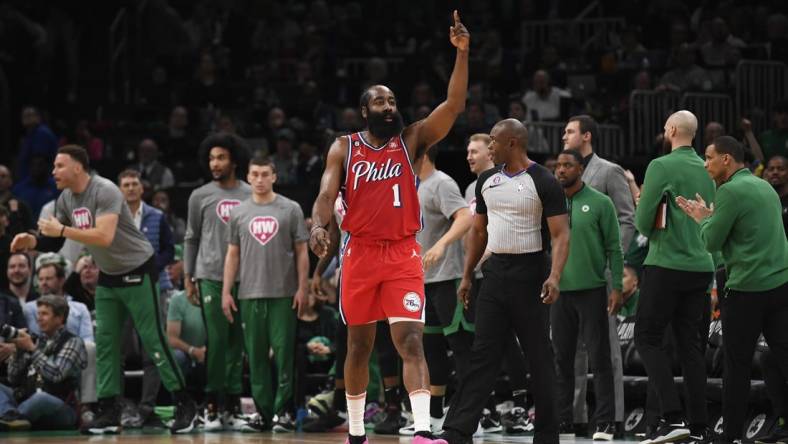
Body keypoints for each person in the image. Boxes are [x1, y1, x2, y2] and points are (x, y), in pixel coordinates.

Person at [309, 11, 469, 444]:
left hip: (401, 253)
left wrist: (462, 54)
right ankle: (357, 433)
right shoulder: (345, 147)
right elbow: (326, 194)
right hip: (359, 253)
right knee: (358, 347)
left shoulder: (412, 140)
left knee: (410, 342)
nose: (389, 107)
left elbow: (453, 106)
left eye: (393, 101)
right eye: (381, 102)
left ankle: (420, 431)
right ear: (365, 111)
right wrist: (318, 225)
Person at [9, 145, 198, 434]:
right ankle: (109, 410)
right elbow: (53, 242)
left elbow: (104, 236)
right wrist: (31, 241)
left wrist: (60, 230)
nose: (53, 171)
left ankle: (184, 403)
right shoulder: (65, 200)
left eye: (59, 166)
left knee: (153, 340)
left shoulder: (105, 190)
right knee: (106, 343)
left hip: (137, 269)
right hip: (109, 276)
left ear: (77, 167)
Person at [438, 118, 570, 444]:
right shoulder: (486, 180)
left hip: (531, 274)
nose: (490, 147)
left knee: (539, 355)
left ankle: (548, 434)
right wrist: (468, 275)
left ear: (512, 142)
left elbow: (561, 235)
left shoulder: (543, 180)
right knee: (483, 353)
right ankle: (457, 430)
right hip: (495, 273)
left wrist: (554, 276)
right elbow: (479, 232)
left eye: (494, 142)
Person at [676, 135, 788, 444]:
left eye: (709, 157)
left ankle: (731, 437)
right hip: (780, 287)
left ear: (727, 159)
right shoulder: (764, 186)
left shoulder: (729, 191)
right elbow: (748, 232)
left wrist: (701, 219)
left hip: (747, 290)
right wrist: (713, 218)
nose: (705, 163)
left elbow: (711, 242)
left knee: (735, 366)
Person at [633, 111, 715, 444]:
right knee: (691, 347)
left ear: (670, 130)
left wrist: (644, 205)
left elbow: (641, 225)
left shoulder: (661, 166)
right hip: (702, 265)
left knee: (647, 338)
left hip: (666, 263)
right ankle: (700, 425)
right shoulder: (709, 168)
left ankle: (671, 417)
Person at [223, 156, 309, 432]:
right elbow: (232, 254)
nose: (259, 179)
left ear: (274, 176)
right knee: (255, 354)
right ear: (248, 177)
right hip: (249, 292)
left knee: (284, 354)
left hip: (284, 293)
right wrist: (227, 290)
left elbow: (302, 251)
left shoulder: (290, 208)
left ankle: (284, 410)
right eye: (255, 174)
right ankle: (262, 411)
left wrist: (302, 287)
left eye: (265, 174)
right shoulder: (239, 212)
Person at [562, 114, 633, 434]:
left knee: (606, 348)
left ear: (587, 136)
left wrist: (613, 263)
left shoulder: (609, 171)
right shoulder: (563, 176)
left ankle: (614, 417)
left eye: (570, 131)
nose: (564, 136)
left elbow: (627, 219)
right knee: (571, 351)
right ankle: (575, 417)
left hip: (601, 271)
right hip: (569, 273)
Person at [464, 133, 533, 435]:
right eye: (467, 151)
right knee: (486, 345)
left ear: (491, 154)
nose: (470, 155)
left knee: (511, 343)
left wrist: (483, 258)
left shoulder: (509, 182)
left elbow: (504, 230)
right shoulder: (473, 186)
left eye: (475, 150)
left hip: (503, 270)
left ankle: (521, 406)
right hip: (480, 277)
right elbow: (476, 232)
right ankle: (487, 410)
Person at [183, 132, 252, 431]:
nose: (215, 163)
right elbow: (191, 237)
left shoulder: (251, 194)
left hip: (245, 278)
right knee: (217, 340)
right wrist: (188, 275)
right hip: (209, 275)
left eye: (221, 157)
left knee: (238, 343)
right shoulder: (199, 195)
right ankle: (212, 405)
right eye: (211, 158)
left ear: (234, 160)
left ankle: (233, 407)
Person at [552, 149, 622, 440]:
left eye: (568, 165)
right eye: (558, 165)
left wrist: (616, 286)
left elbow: (614, 249)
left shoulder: (600, 202)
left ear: (581, 169)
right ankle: (563, 420)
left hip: (592, 290)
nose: (561, 170)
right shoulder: (550, 204)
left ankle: (605, 421)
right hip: (559, 293)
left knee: (600, 358)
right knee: (561, 360)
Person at [405, 145, 472, 435]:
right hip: (421, 279)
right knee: (429, 348)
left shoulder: (442, 184)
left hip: (449, 276)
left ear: (421, 156)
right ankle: (433, 415)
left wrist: (441, 245)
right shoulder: (409, 186)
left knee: (461, 347)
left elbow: (464, 217)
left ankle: (472, 414)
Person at [0, 295, 86, 431]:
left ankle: (8, 417)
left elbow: (56, 375)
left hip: (61, 406)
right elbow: (13, 378)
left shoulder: (73, 341)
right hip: (26, 401)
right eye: (38, 314)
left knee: (40, 399)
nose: (39, 318)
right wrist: (18, 352)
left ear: (60, 317)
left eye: (45, 314)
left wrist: (32, 349)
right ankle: (11, 417)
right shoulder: (35, 340)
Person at [118, 169, 175, 294]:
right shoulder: (114, 219)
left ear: (142, 189)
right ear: (120, 191)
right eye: (126, 185)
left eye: (134, 184)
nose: (131, 188)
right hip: (124, 284)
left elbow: (169, 249)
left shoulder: (158, 216)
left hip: (157, 282)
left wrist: (154, 266)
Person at [166, 288, 206, 389]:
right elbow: (171, 339)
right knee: (177, 357)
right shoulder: (177, 300)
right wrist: (192, 350)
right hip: (185, 352)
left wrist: (208, 349)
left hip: (209, 350)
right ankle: (179, 396)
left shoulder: (216, 298)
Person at [763, 155, 788, 237]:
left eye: (781, 169)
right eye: (771, 169)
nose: (775, 172)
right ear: (766, 173)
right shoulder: (762, 199)